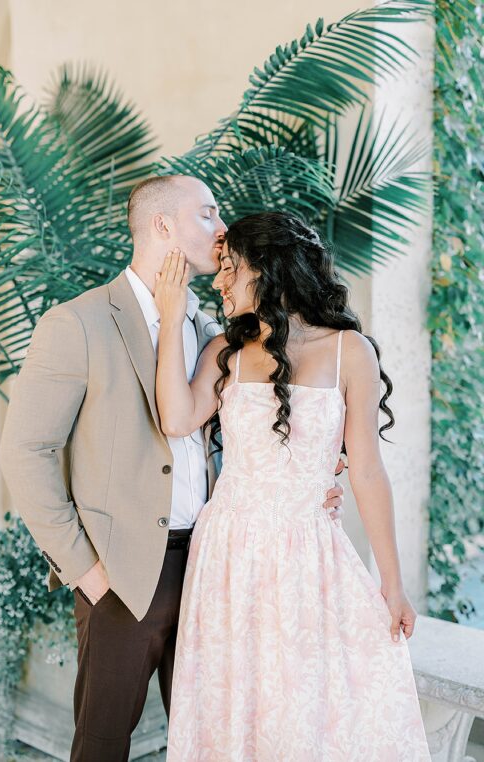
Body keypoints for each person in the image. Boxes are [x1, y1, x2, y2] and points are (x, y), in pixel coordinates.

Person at [0, 176, 344, 761]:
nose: (222, 229)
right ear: (164, 227)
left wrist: (311, 482)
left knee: (213, 736)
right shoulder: (78, 323)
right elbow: (23, 453)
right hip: (123, 574)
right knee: (103, 743)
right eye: (207, 214)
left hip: (218, 567)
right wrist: (88, 572)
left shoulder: (217, 330)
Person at [153, 211, 429, 760]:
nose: (218, 281)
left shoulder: (352, 351)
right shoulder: (226, 352)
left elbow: (369, 471)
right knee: (234, 708)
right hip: (228, 553)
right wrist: (167, 320)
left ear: (266, 269)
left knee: (304, 708)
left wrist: (392, 584)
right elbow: (176, 419)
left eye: (229, 268)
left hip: (309, 557)